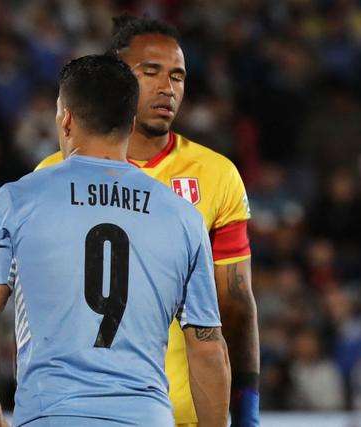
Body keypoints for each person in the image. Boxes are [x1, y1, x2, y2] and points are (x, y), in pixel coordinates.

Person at [0, 54, 230, 427]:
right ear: (131, 122)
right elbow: (207, 348)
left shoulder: (17, 200)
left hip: (50, 416)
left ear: (66, 118)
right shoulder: (183, 216)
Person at [36, 16, 259, 427]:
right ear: (118, 78)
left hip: (189, 416)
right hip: (82, 412)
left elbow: (237, 306)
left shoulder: (216, 174)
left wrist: (247, 411)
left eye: (177, 76)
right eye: (151, 72)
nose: (167, 87)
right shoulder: (51, 175)